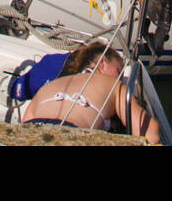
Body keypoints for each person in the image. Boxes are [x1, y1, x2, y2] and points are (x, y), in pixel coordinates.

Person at [23, 43, 160, 140]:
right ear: (102, 63)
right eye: (118, 70)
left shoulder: (49, 86)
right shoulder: (113, 84)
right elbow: (150, 133)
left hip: (30, 132)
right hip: (71, 135)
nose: (120, 78)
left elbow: (24, 124)